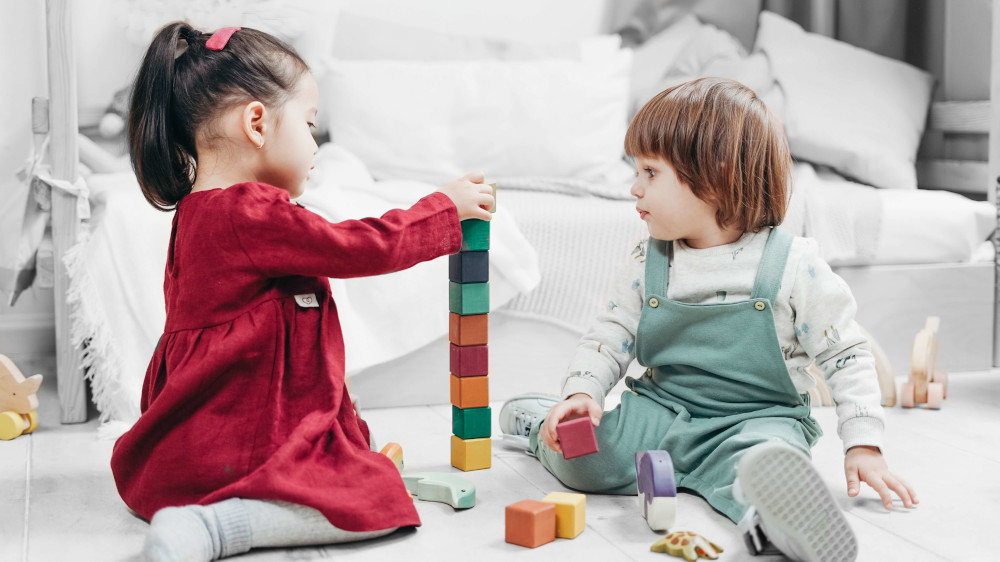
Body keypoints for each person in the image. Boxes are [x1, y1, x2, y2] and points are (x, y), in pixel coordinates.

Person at [110, 23, 494, 562]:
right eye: (311, 126)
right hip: (238, 429)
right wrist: (443, 209)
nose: (316, 145)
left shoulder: (199, 211)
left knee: (361, 461)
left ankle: (210, 512)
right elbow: (359, 247)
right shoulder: (250, 211)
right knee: (373, 501)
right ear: (257, 123)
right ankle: (218, 527)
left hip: (193, 434)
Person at [499, 77, 917, 562]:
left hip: (759, 421)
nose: (633, 188)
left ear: (715, 176)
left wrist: (863, 445)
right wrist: (582, 393)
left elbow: (845, 355)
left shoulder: (795, 266)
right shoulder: (647, 259)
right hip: (660, 410)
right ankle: (542, 428)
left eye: (651, 172)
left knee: (763, 469)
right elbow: (610, 335)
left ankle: (778, 522)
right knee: (583, 463)